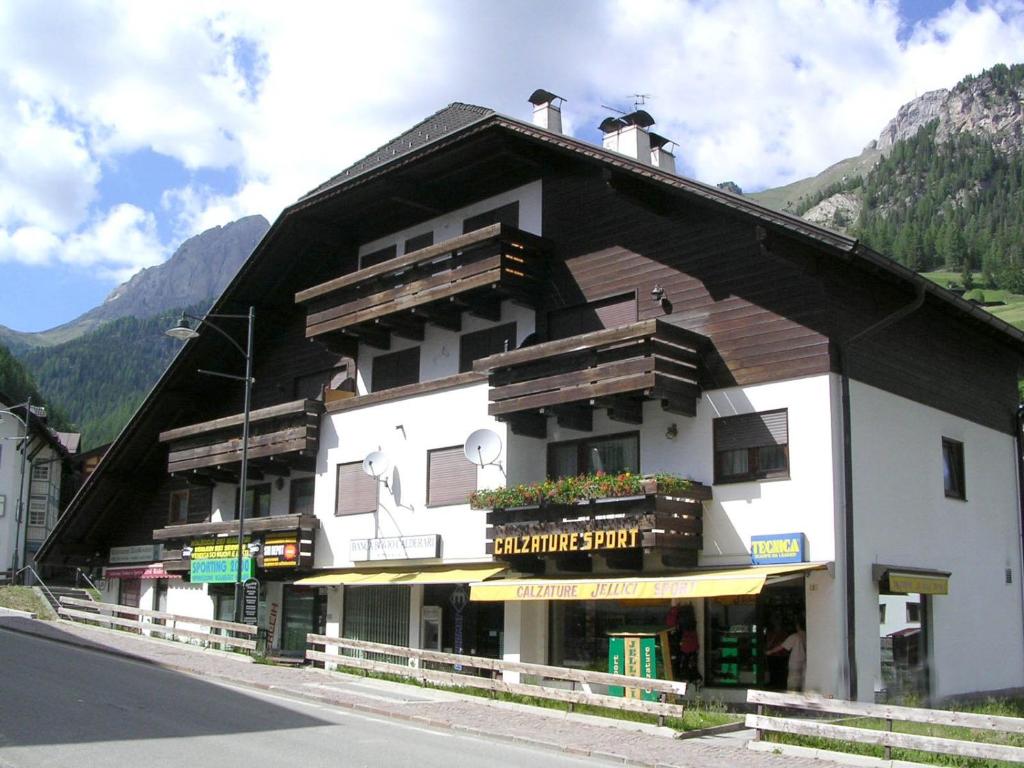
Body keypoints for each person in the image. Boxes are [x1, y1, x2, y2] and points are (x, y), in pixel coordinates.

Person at [767, 618, 806, 691]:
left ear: (798, 626)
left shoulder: (795, 636)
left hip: (795, 661)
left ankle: (792, 696)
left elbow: (782, 646)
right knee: (802, 680)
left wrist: (770, 652)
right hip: (805, 661)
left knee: (793, 682)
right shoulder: (807, 636)